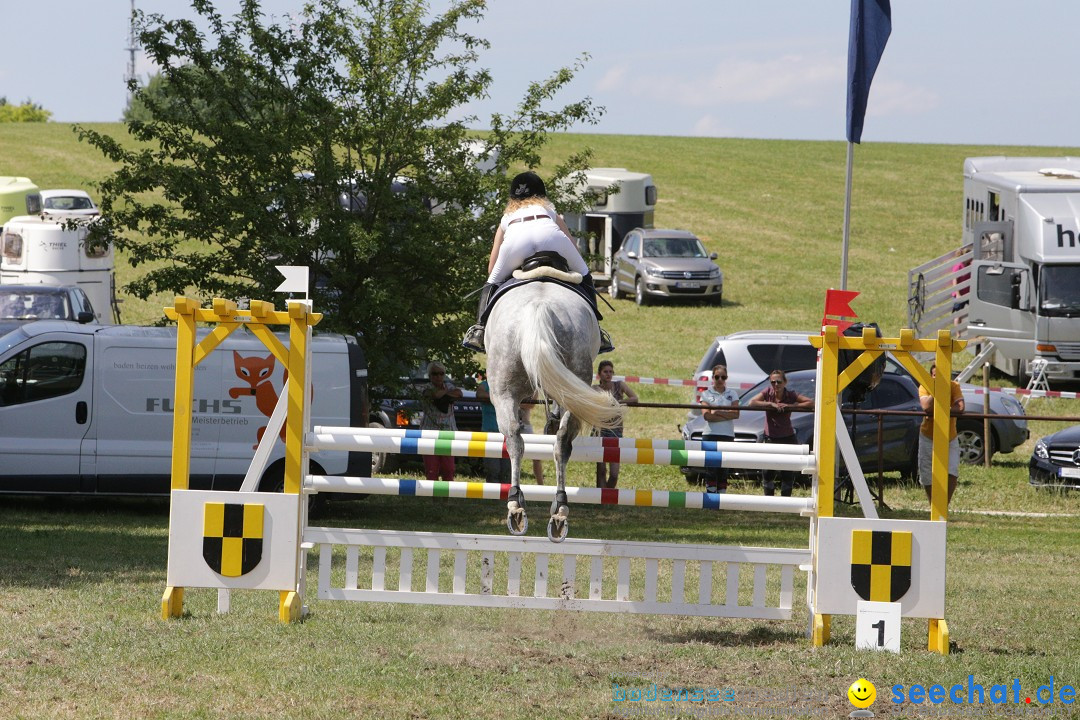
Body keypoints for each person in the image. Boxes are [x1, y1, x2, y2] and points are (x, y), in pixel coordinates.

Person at [462, 171, 613, 354]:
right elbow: (573, 244)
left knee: (493, 280)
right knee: (584, 272)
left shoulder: (506, 219)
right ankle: (597, 331)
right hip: (551, 236)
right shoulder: (549, 210)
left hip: (516, 242)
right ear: (541, 195)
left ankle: (479, 330)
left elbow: (491, 267)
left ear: (512, 198)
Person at [747, 370, 813, 496]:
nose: (776, 385)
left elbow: (810, 403)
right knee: (767, 472)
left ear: (785, 382)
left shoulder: (790, 394)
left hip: (787, 438)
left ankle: (785, 499)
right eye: (773, 382)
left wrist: (790, 406)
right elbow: (752, 402)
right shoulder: (767, 392)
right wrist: (770, 404)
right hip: (770, 437)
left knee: (787, 471)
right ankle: (769, 500)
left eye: (779, 382)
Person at [917, 363, 964, 506]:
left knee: (952, 471)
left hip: (949, 436)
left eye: (942, 375)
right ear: (931, 376)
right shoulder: (925, 386)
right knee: (926, 473)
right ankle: (934, 505)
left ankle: (944, 506)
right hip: (927, 436)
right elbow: (926, 406)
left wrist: (940, 409)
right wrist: (936, 389)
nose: (938, 378)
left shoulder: (954, 386)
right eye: (935, 375)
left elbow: (960, 407)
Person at [592, 360, 638, 488]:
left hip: (616, 431)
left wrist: (619, 402)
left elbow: (635, 398)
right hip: (600, 430)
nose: (608, 374)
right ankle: (601, 499)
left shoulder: (619, 385)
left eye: (611, 372)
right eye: (605, 372)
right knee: (601, 470)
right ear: (599, 374)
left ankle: (607, 495)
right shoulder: (595, 389)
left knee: (614, 473)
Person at [698, 364, 740, 494]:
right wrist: (726, 413)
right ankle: (711, 497)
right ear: (713, 378)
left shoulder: (732, 393)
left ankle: (722, 497)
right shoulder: (705, 394)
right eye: (717, 377)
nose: (720, 379)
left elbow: (736, 414)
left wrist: (717, 412)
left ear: (726, 378)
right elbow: (707, 416)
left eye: (723, 377)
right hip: (710, 434)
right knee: (711, 467)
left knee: (724, 467)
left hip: (727, 434)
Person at [419, 362, 463, 482]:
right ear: (429, 375)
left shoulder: (449, 386)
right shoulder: (424, 387)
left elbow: (459, 393)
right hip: (429, 433)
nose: (438, 377)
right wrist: (447, 395)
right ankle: (433, 498)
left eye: (441, 373)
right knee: (431, 470)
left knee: (449, 469)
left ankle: (445, 499)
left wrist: (444, 393)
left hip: (448, 432)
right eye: (435, 374)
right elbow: (435, 395)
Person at [475, 372, 509, 484]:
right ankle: (492, 496)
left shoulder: (506, 385)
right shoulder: (484, 385)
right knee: (493, 469)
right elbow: (479, 394)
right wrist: (499, 397)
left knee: (506, 469)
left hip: (506, 433)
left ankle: (506, 496)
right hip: (489, 433)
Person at [518, 395, 546, 485]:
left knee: (536, 456)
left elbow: (531, 405)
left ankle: (541, 485)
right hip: (512, 424)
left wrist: (515, 404)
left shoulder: (533, 387)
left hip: (525, 425)